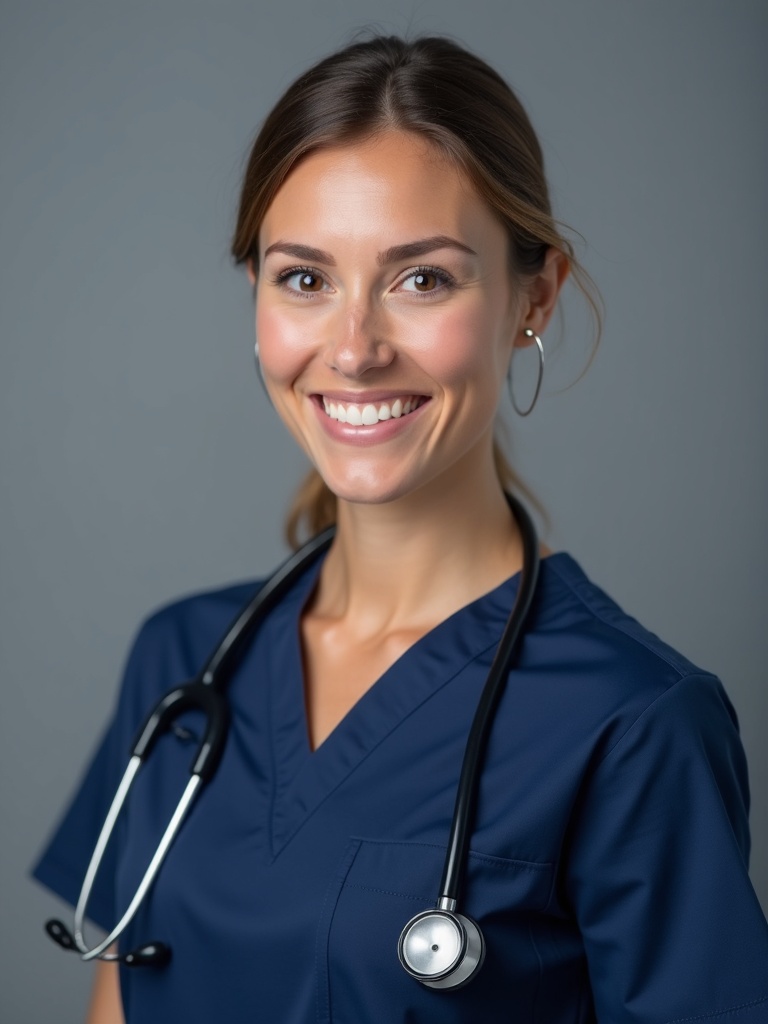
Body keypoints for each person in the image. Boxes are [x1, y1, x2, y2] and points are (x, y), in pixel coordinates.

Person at [33, 34, 768, 1024]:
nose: (354, 347)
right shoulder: (183, 662)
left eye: (422, 278)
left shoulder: (633, 723)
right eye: (304, 278)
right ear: (256, 297)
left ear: (532, 298)